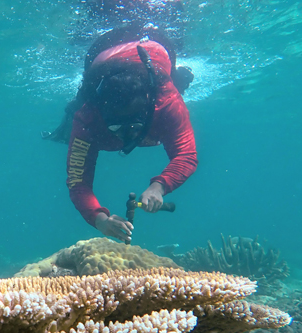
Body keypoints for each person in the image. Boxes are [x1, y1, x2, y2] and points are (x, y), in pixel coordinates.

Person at [43, 24, 197, 242]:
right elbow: (77, 182)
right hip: (102, 56)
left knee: (175, 82)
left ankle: (178, 76)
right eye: (116, 129)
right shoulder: (87, 119)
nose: (126, 138)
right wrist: (100, 219)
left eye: (133, 129)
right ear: (102, 119)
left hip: (155, 55)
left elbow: (187, 155)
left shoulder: (166, 102)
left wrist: (159, 186)